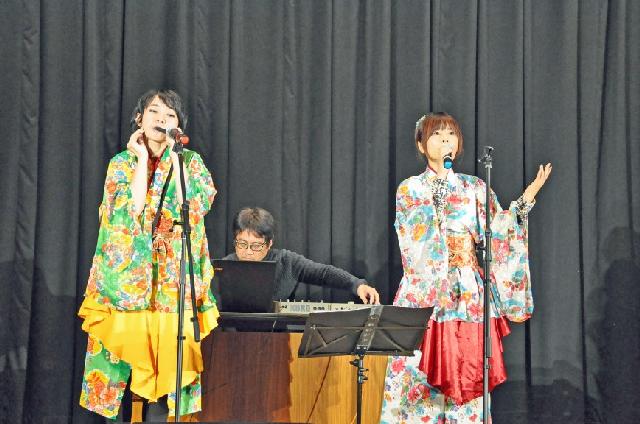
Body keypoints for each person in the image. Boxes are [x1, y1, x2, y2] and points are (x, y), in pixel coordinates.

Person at [380, 112, 552, 423]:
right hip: (425, 292)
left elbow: (499, 232)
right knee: (416, 373)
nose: (445, 139)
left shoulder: (474, 187)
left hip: (466, 295)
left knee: (467, 371)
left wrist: (526, 199)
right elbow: (413, 240)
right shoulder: (410, 189)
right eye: (436, 134)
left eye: (451, 134)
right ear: (420, 144)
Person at [78, 89, 219, 421]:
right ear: (139, 119)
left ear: (178, 125)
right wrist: (142, 159)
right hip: (124, 285)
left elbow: (196, 205)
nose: (161, 119)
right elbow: (132, 211)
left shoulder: (190, 161)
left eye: (170, 115)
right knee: (114, 369)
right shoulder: (121, 163)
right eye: (154, 112)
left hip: (171, 286)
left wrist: (176, 158)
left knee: (168, 370)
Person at [223, 207, 380, 304]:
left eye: (256, 246)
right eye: (242, 244)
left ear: (269, 243)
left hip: (278, 340)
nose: (248, 251)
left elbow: (323, 273)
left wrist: (357, 285)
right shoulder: (223, 268)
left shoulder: (286, 261)